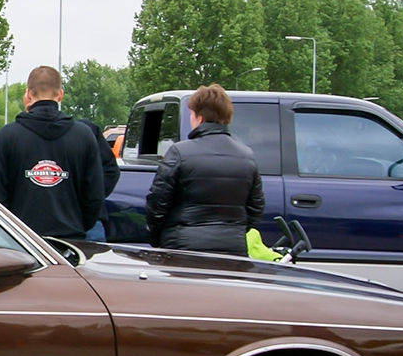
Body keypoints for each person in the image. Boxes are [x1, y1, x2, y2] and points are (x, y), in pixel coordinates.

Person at [144, 83, 265, 256]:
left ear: (199, 117)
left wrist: (158, 238)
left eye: (191, 115)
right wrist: (235, 231)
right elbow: (256, 209)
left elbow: (157, 203)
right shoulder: (247, 156)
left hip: (182, 246)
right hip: (232, 248)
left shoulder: (179, 152)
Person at [0, 65, 104, 240]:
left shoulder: (7, 137)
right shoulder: (84, 136)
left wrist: (12, 230)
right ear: (60, 94)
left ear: (28, 94)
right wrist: (76, 223)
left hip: (22, 245)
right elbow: (95, 196)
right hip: (70, 243)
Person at [76, 115, 120, 241]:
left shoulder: (87, 130)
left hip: (89, 221)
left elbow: (110, 171)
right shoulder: (25, 132)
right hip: (89, 219)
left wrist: (92, 197)